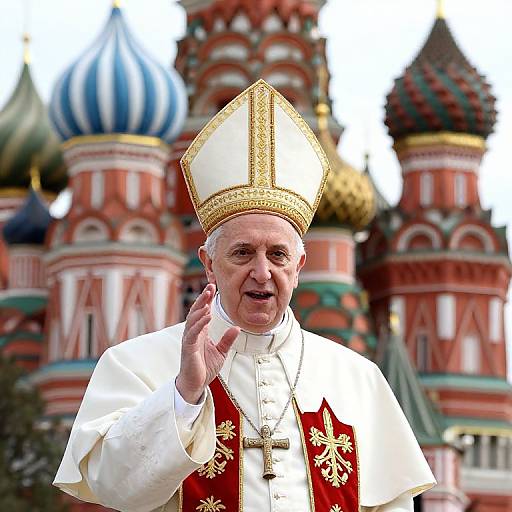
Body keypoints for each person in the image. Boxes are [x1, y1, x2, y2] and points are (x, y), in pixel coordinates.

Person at [54, 80, 435, 512]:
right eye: (242, 253)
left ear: (299, 266)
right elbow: (114, 487)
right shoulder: (136, 364)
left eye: (277, 254)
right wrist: (184, 396)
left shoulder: (357, 379)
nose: (262, 272)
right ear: (208, 263)